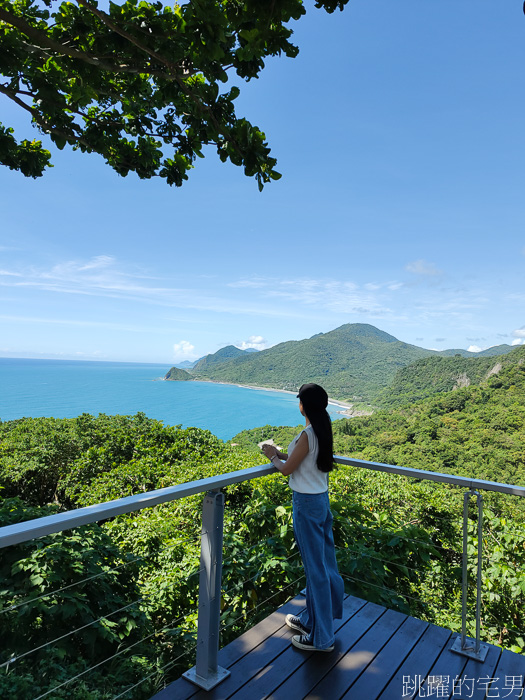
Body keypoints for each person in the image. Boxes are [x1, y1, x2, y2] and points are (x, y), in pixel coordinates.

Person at [261, 383, 344, 653]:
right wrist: (282, 455)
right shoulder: (322, 429)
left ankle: (322, 639)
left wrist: (272, 455)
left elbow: (286, 470)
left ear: (303, 405)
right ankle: (312, 620)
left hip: (306, 505)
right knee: (324, 564)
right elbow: (299, 461)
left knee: (315, 570)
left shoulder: (308, 433)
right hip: (321, 500)